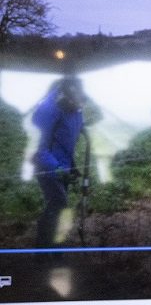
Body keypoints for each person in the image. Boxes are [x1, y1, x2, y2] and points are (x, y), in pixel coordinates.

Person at [32, 77, 86, 248]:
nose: (77, 107)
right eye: (73, 103)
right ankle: (50, 249)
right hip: (46, 166)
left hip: (63, 164)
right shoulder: (47, 110)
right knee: (60, 205)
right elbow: (39, 149)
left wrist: (72, 166)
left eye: (78, 104)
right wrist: (57, 168)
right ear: (63, 97)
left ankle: (46, 247)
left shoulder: (76, 107)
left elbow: (67, 138)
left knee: (54, 207)